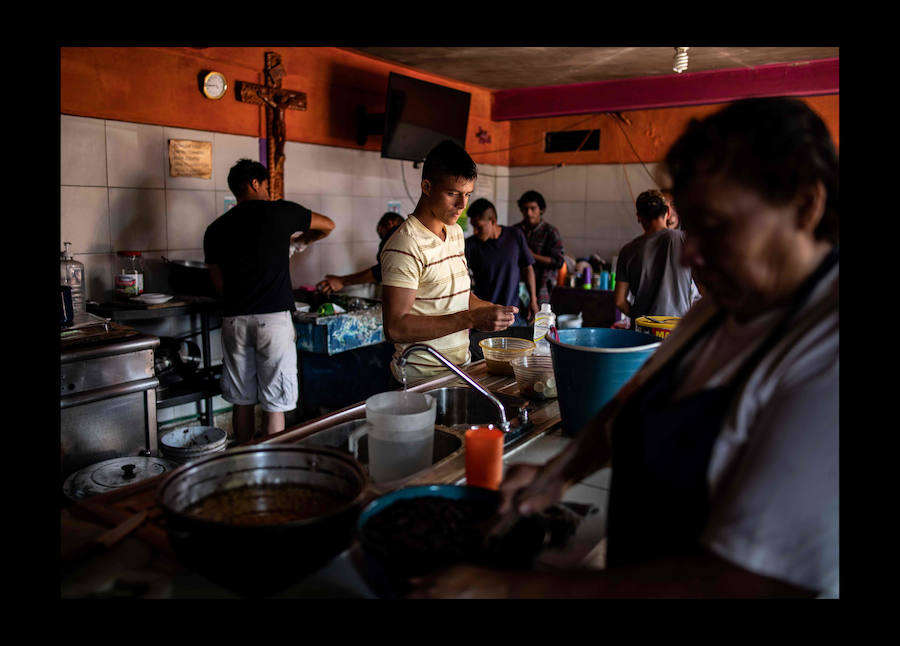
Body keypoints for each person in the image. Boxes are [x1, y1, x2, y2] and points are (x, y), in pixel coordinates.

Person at [410, 97, 839, 598]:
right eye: (690, 225)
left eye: (716, 225)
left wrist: (508, 590)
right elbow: (630, 407)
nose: (691, 254)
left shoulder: (824, 349)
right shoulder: (719, 310)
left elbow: (747, 583)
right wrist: (558, 473)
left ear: (804, 206)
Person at [204, 159, 335, 443]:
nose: (267, 191)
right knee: (275, 402)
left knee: (241, 400)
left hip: (234, 321)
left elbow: (220, 286)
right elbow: (328, 225)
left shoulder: (215, 229)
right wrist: (301, 241)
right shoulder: (280, 211)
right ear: (255, 183)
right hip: (273, 321)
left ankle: (243, 459)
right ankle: (273, 460)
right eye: (265, 185)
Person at [380, 140, 517, 386]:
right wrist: (470, 319)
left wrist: (491, 311)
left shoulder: (454, 232)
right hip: (420, 382)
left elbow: (458, 297)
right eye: (452, 193)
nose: (462, 205)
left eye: (467, 194)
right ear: (427, 186)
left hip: (459, 371)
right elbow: (395, 328)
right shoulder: (406, 244)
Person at [613, 189, 695, 328]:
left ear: (639, 216)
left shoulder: (627, 251)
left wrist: (638, 318)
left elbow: (619, 301)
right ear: (668, 213)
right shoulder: (685, 241)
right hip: (677, 330)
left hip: (643, 331)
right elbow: (704, 288)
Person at [465, 198, 539, 326]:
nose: (475, 231)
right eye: (473, 227)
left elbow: (527, 268)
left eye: (479, 227)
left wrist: (533, 299)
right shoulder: (471, 245)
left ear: (493, 221)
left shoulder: (514, 235)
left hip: (513, 314)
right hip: (486, 317)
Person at [315, 212, 405, 295]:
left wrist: (341, 281)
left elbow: (382, 271)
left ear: (390, 223)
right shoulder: (406, 235)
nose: (382, 239)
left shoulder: (395, 234)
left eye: (381, 232)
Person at [513, 190, 565, 305]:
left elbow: (559, 261)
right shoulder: (515, 231)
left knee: (540, 315)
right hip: (517, 286)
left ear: (541, 210)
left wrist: (532, 256)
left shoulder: (550, 232)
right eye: (525, 209)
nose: (529, 213)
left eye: (533, 208)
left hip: (543, 287)